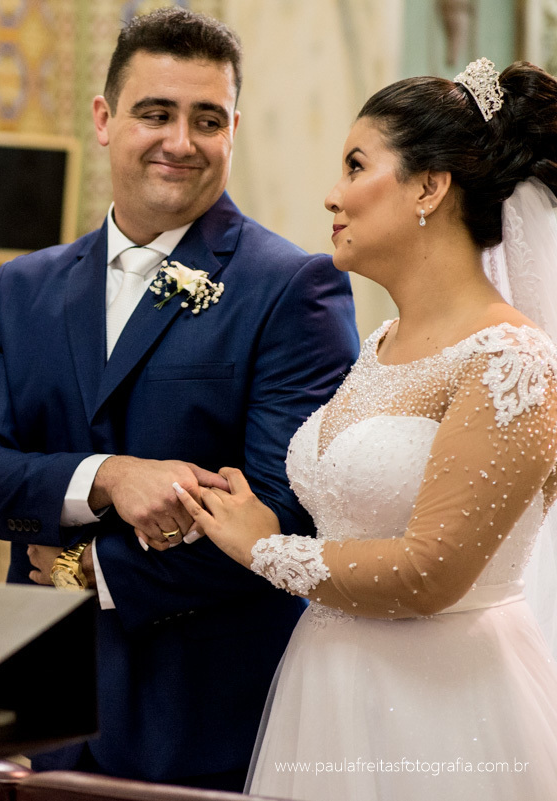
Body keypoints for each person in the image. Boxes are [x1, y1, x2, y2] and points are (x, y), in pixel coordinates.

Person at [0, 7, 359, 791]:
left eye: (207, 119)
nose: (181, 141)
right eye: (156, 113)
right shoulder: (24, 287)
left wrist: (86, 565)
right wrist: (106, 476)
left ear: (234, 130)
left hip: (209, 719)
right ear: (104, 119)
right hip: (50, 710)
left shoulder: (292, 288)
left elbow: (289, 517)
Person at [175, 58, 557, 799]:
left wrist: (263, 549)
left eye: (356, 165)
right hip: (327, 687)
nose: (332, 194)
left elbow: (430, 573)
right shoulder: (379, 344)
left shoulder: (512, 358)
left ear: (428, 186)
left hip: (444, 708)